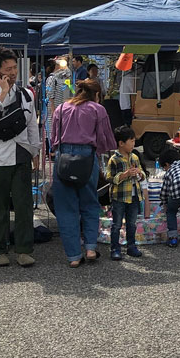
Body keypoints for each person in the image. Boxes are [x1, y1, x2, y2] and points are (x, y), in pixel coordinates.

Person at [0, 47, 40, 267]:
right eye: (8, 69)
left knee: (24, 205)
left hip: (21, 154)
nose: (13, 72)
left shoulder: (26, 94)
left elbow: (32, 124)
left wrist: (36, 150)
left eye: (15, 68)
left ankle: (24, 249)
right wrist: (2, 93)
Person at [51, 78, 115, 267]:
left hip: (63, 159)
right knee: (90, 204)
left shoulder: (61, 108)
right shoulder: (97, 109)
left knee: (66, 208)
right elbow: (106, 140)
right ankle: (90, 247)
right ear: (96, 94)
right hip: (87, 157)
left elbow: (54, 139)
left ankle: (73, 256)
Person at [106, 126, 145, 261]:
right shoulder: (114, 159)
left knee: (132, 223)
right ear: (121, 143)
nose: (134, 144)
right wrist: (125, 175)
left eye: (134, 141)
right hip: (119, 197)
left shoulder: (135, 157)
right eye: (131, 141)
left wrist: (139, 174)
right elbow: (109, 177)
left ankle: (131, 246)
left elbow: (142, 173)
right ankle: (115, 248)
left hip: (134, 195)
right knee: (116, 224)